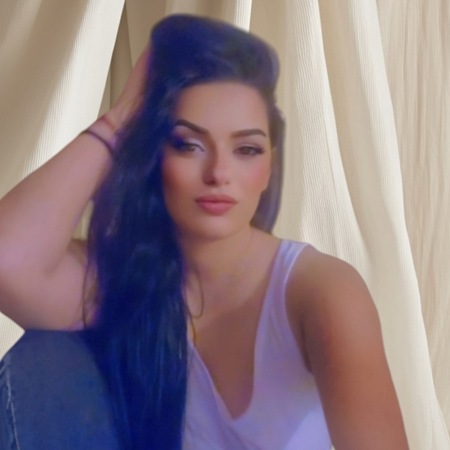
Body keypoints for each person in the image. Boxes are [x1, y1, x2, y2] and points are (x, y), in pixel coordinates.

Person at [0, 14, 409, 450]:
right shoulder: (126, 282)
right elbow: (9, 261)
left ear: (269, 166)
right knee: (44, 360)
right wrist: (120, 120)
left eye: (246, 149)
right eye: (188, 145)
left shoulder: (321, 291)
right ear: (154, 155)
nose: (218, 173)